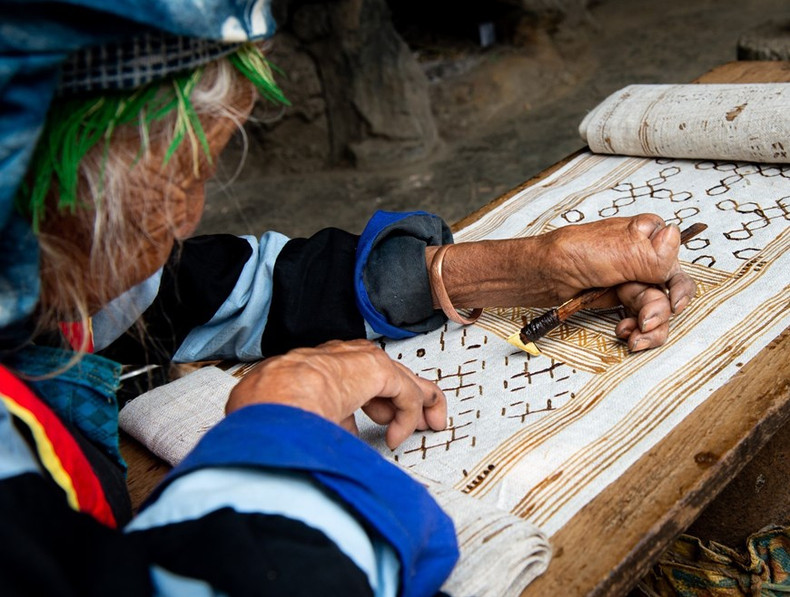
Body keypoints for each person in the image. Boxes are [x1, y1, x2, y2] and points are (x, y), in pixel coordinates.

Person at [0, 1, 696, 595]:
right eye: (181, 177)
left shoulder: (47, 286)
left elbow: (213, 287)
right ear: (29, 176)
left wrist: (521, 269)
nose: (189, 218)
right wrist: (284, 428)